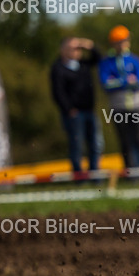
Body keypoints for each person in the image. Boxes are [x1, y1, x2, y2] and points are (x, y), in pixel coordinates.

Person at [99, 25, 139, 174]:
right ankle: (131, 174)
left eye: (124, 40)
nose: (122, 44)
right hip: (118, 107)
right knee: (125, 143)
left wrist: (118, 81)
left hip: (137, 106)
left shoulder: (135, 60)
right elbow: (106, 84)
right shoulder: (106, 62)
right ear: (113, 43)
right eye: (118, 41)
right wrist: (126, 81)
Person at [50, 36, 102, 174]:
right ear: (63, 50)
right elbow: (58, 92)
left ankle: (94, 174)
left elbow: (99, 58)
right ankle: (79, 176)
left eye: (79, 48)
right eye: (73, 48)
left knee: (95, 144)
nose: (77, 51)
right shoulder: (58, 68)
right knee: (77, 146)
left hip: (90, 110)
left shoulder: (83, 64)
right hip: (74, 114)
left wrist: (88, 45)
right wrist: (69, 109)